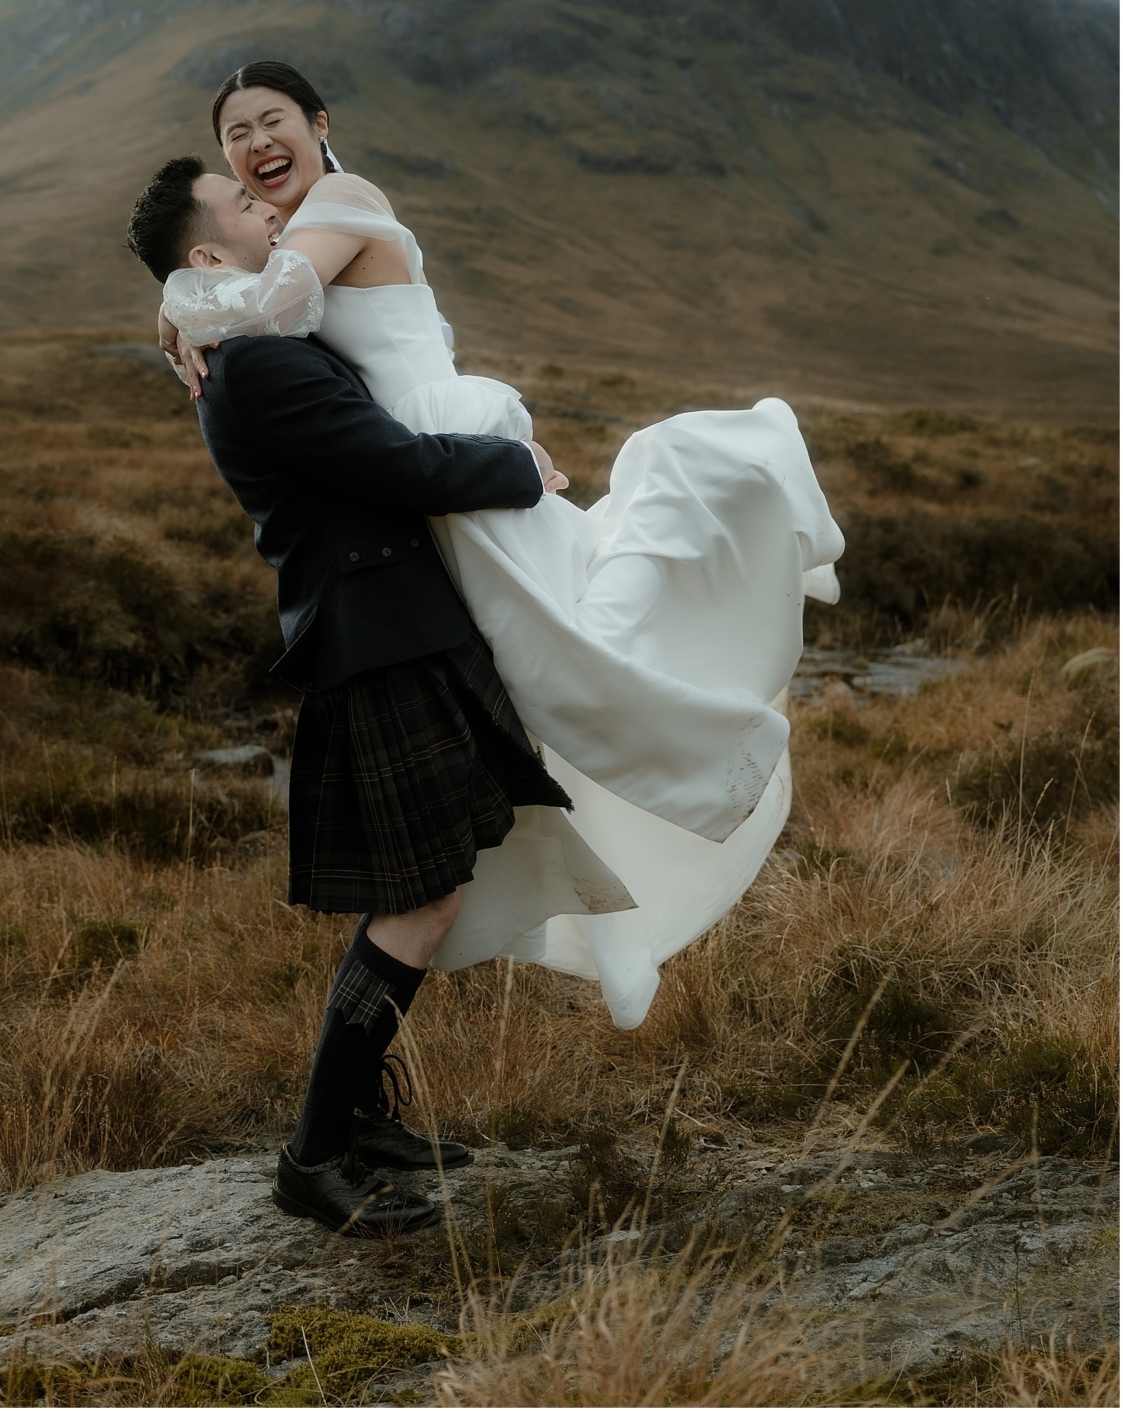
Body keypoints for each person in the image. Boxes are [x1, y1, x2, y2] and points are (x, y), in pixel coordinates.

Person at [153, 61, 846, 1034]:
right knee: (535, 686)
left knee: (575, 646)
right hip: (416, 479)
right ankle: (611, 909)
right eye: (235, 137)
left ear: (318, 124)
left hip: (443, 451)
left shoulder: (344, 199)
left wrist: (178, 301)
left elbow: (276, 307)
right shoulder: (266, 251)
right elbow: (258, 300)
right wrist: (187, 289)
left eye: (273, 121)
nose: (256, 145)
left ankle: (717, 658)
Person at [125, 163, 616, 1236]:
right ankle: (313, 1153)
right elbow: (394, 464)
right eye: (248, 209)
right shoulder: (252, 367)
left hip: (395, 624)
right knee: (417, 899)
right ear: (207, 256)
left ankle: (359, 1121)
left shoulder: (253, 345)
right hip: (376, 637)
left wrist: (181, 318)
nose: (271, 214)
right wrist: (522, 467)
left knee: (418, 887)